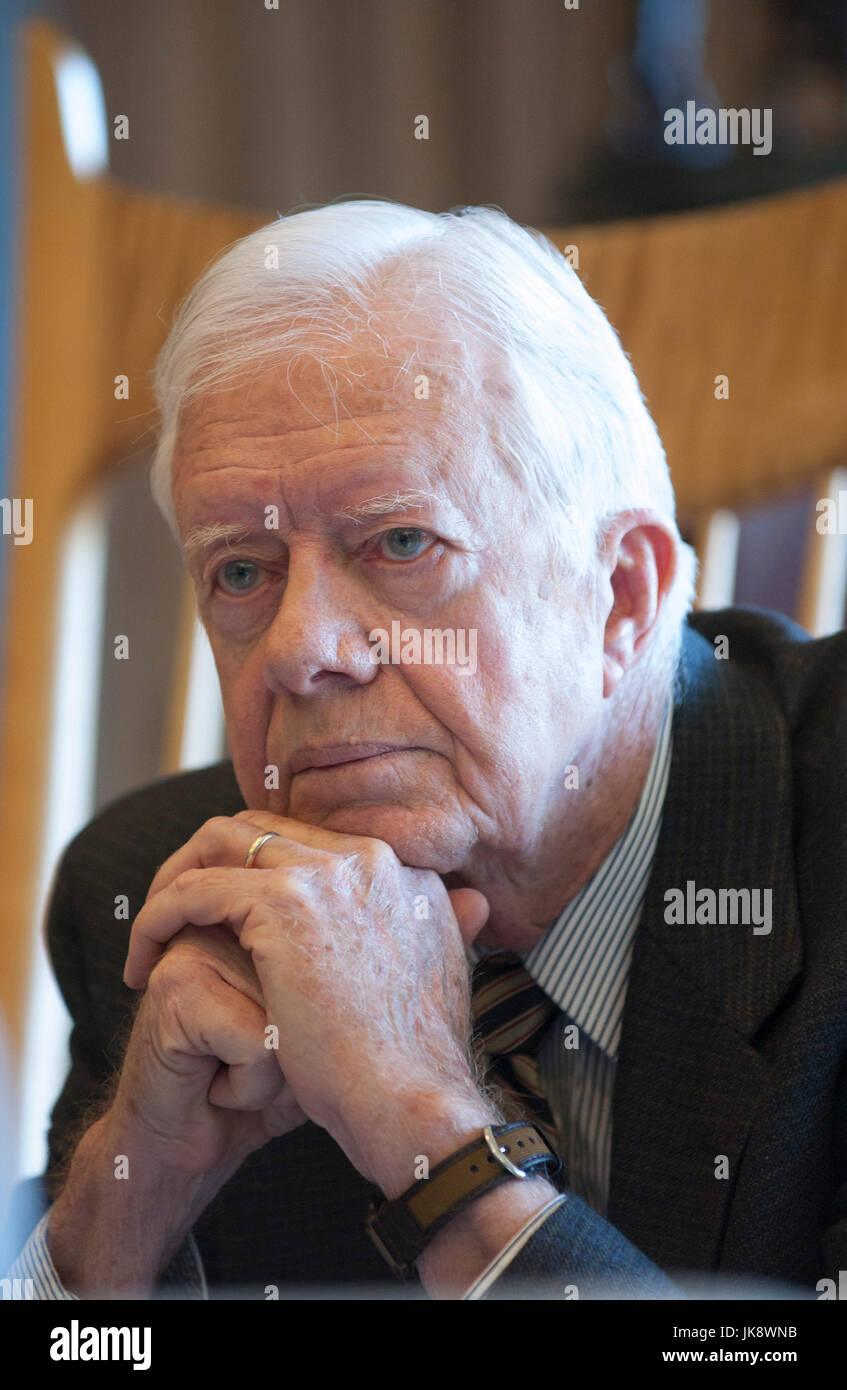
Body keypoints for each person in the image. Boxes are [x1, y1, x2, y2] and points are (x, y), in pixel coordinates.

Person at [5, 199, 846, 1300]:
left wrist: (431, 1134)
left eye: (402, 542)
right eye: (243, 570)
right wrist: (128, 1201)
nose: (301, 651)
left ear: (622, 598)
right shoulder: (166, 897)